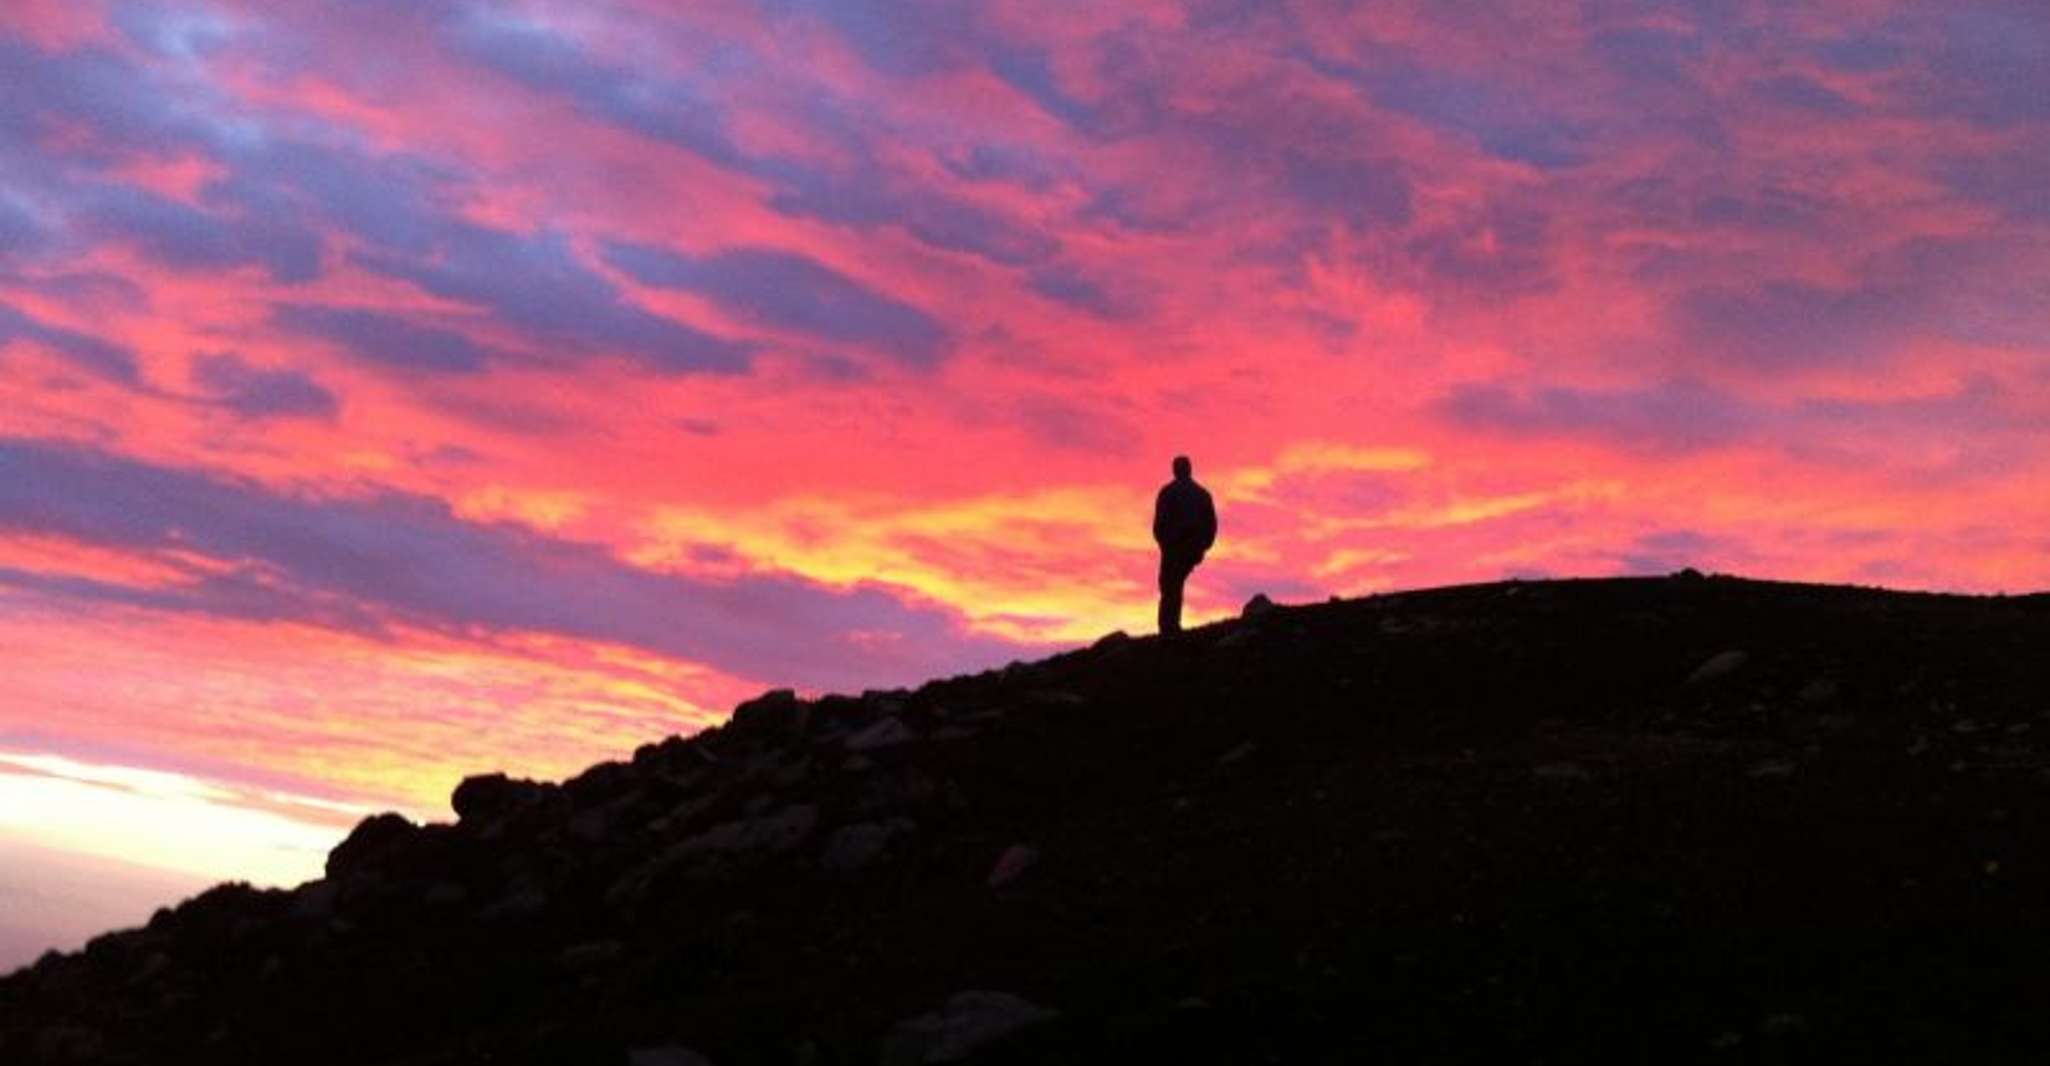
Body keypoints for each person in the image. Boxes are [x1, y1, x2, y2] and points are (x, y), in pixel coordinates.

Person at [1152, 454, 1216, 635]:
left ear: (1175, 470)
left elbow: (1158, 526)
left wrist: (1165, 545)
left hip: (1174, 549)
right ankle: (1171, 627)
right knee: (1174, 584)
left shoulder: (1167, 492)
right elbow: (1212, 525)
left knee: (1170, 586)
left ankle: (1168, 629)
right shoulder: (1202, 494)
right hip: (1191, 549)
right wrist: (1203, 547)